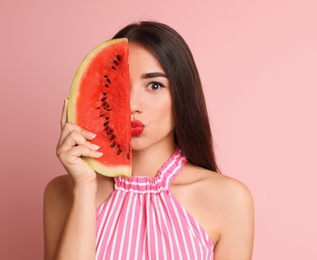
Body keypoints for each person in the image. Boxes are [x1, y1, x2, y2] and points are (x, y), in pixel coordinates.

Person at [43, 21, 254, 260]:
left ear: (182, 96)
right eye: (120, 86)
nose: (132, 105)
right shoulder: (63, 192)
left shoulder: (229, 199)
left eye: (154, 85)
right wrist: (83, 187)